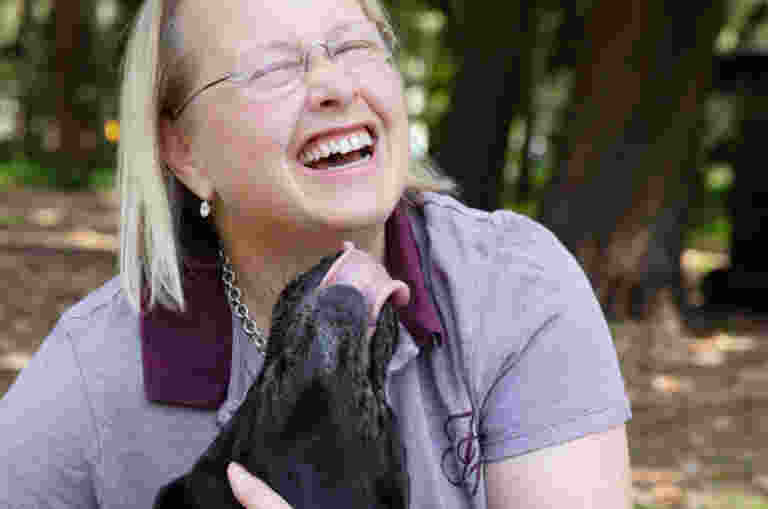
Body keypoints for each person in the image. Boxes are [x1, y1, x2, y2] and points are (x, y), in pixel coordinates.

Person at [0, 0, 634, 507]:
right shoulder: (100, 365)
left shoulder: (512, 288)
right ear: (186, 152)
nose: (333, 85)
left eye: (354, 46)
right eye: (272, 68)